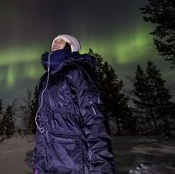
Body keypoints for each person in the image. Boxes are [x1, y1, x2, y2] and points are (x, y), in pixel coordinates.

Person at [31, 34, 114, 174]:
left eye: (61, 41)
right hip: (49, 164)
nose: (55, 43)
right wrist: (39, 163)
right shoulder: (45, 80)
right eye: (54, 41)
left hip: (74, 161)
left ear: (71, 46)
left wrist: (101, 165)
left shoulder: (78, 69)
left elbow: (94, 118)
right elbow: (42, 126)